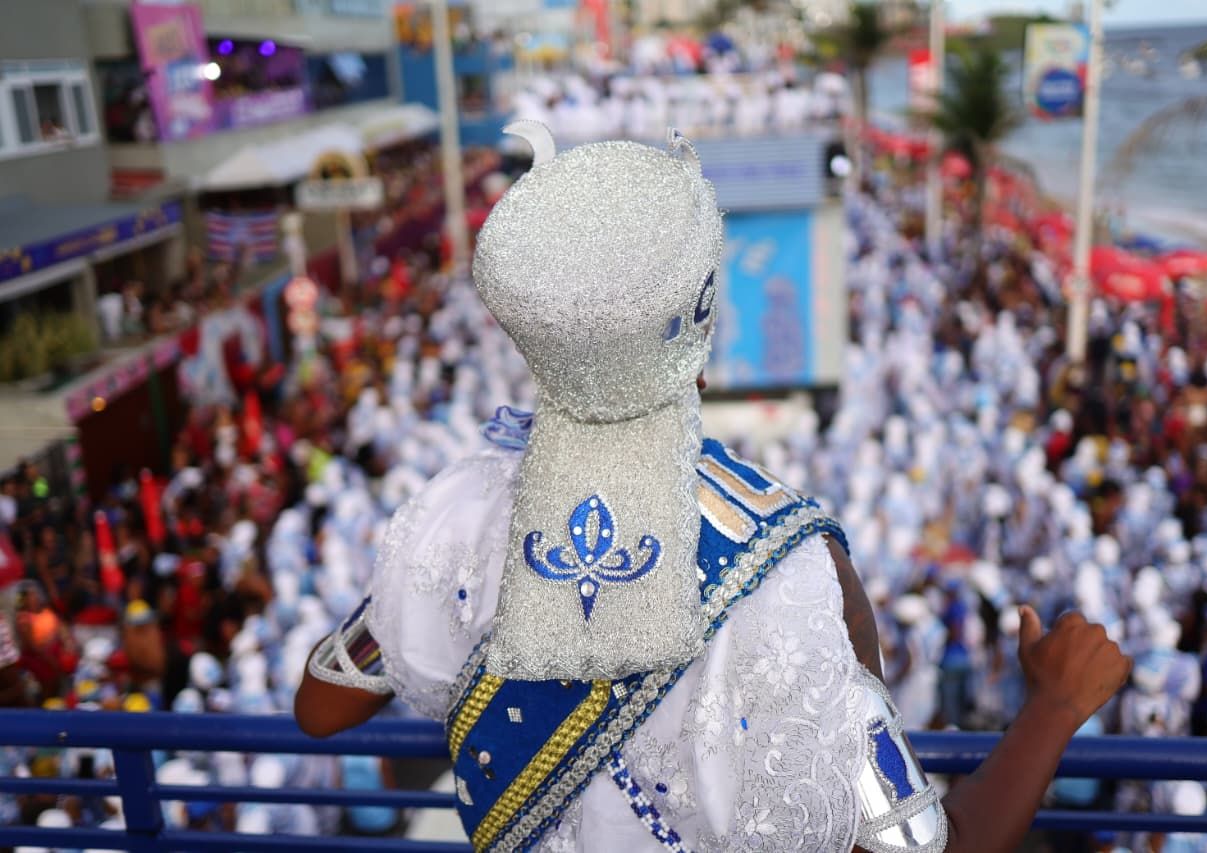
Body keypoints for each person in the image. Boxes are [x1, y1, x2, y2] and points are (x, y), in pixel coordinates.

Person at [294, 124, 1132, 852]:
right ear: (701, 325)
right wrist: (1055, 704)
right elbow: (925, 843)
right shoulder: (794, 566)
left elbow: (322, 704)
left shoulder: (455, 512)